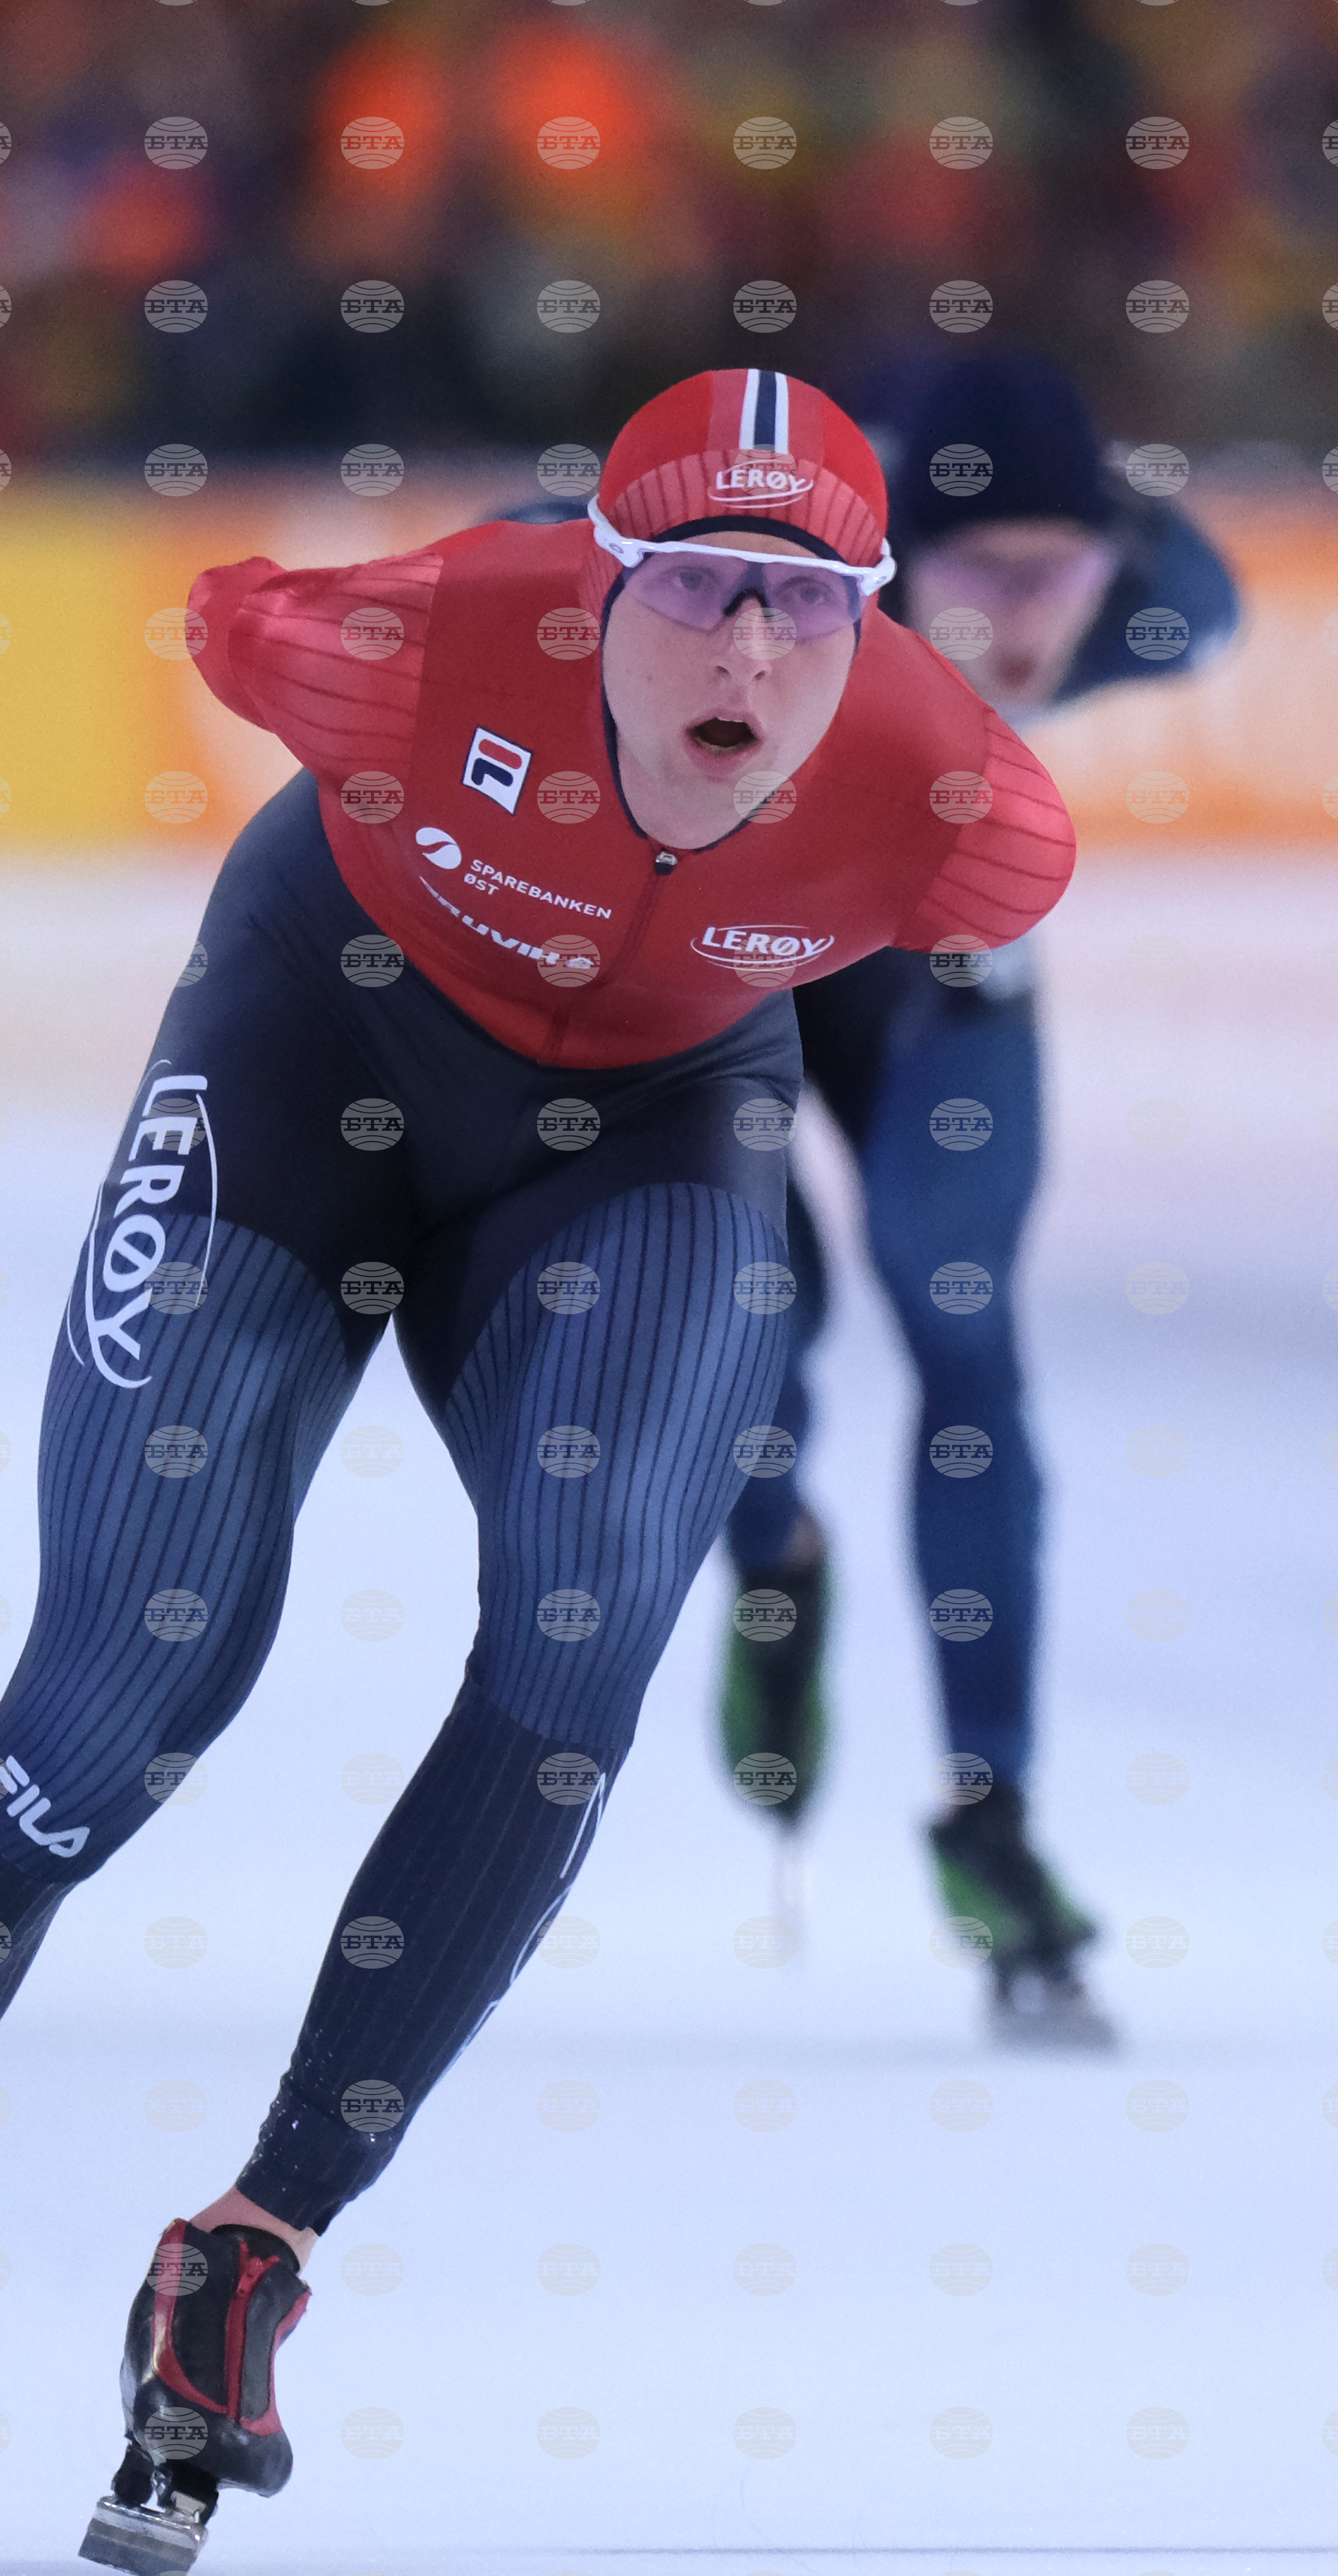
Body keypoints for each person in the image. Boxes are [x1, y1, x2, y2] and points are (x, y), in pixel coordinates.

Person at [0, 369, 1074, 2576]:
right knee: (105, 1714)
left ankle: (251, 2243)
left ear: (876, 623)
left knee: (572, 1655)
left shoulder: (964, 808)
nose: (745, 655)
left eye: (806, 608)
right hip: (306, 1038)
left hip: (636, 1147)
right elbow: (222, 610)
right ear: (595, 583)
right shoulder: (394, 643)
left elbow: (955, 1040)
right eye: (698, 592)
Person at [711, 349, 1238, 2048]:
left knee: (967, 1342)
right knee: (743, 1345)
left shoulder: (1161, 602)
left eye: (1057, 573)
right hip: (719, 972)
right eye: (980, 579)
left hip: (934, 968)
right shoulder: (772, 583)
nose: (1025, 619)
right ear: (886, 569)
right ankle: (773, 1551)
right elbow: (549, 549)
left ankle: (990, 1810)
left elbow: (1159, 569)